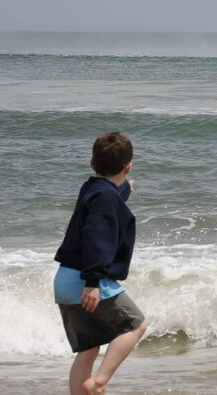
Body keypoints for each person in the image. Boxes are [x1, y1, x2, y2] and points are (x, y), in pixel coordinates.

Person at [54, 132, 149, 395]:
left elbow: (107, 200)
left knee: (89, 348)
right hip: (85, 279)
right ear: (128, 165)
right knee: (136, 324)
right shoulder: (106, 198)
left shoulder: (92, 189)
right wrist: (93, 282)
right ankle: (98, 383)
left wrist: (125, 189)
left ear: (92, 164)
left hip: (65, 279)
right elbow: (97, 234)